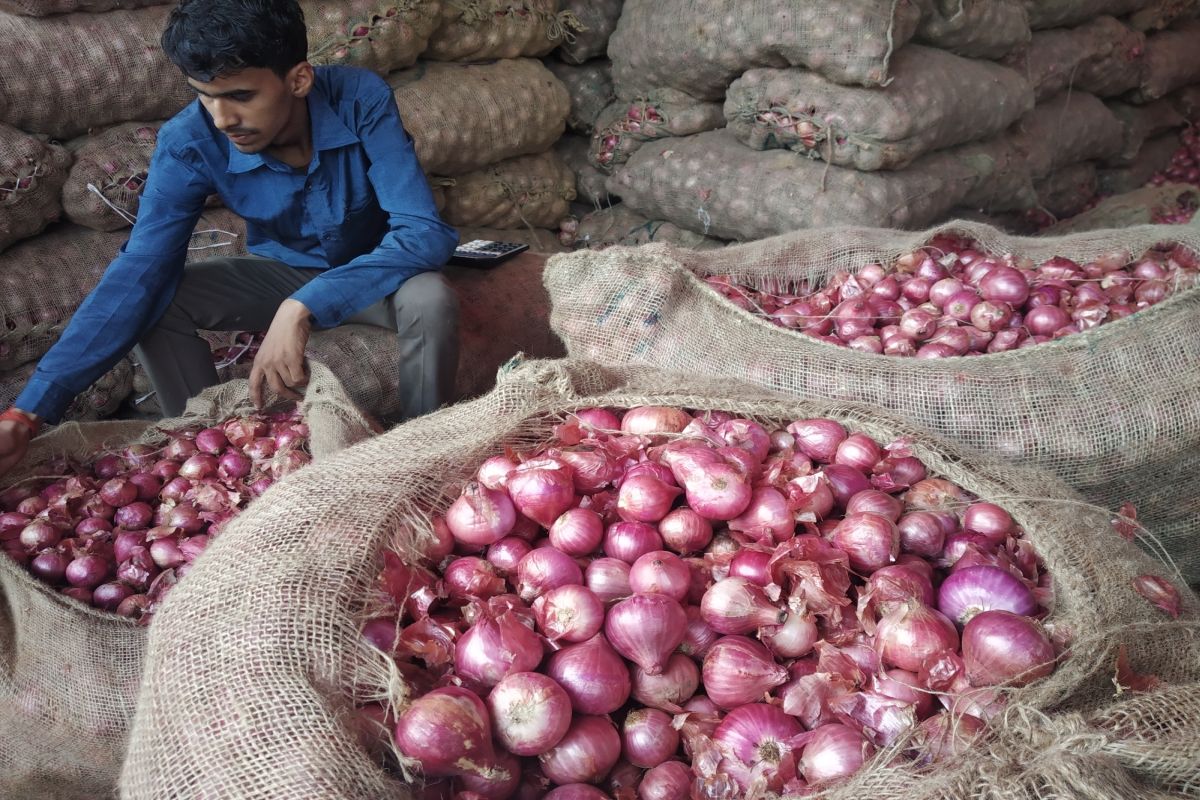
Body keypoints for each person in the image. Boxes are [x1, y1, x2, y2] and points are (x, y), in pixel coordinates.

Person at [0, 0, 460, 479]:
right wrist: (27, 412)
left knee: (431, 298)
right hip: (284, 270)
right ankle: (213, 453)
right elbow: (140, 270)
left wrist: (301, 306)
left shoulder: (360, 98)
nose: (222, 118)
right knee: (158, 299)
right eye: (205, 96)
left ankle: (421, 456)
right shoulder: (189, 141)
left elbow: (423, 231)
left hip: (377, 274)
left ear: (298, 80)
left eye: (240, 95)